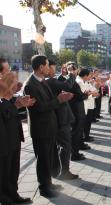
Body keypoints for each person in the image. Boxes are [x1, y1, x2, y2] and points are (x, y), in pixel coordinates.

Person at [24, 55, 72, 198]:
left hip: (50, 127)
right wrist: (58, 100)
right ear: (40, 67)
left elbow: (49, 101)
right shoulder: (30, 85)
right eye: (47, 65)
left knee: (49, 158)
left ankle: (49, 183)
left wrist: (60, 97)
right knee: (43, 160)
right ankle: (44, 187)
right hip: (41, 129)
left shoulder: (43, 81)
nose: (49, 68)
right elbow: (38, 108)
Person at [0, 72, 34, 205]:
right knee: (4, 172)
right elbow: (6, 114)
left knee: (13, 171)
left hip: (14, 140)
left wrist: (20, 104)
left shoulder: (9, 100)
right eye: (14, 84)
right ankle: (5, 199)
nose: (17, 86)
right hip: (4, 143)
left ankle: (13, 194)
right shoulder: (3, 100)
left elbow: (11, 111)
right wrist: (17, 105)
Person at [46, 60, 78, 180]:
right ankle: (64, 171)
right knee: (65, 145)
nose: (55, 70)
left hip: (61, 117)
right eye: (53, 68)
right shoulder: (51, 80)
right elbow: (67, 85)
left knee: (63, 145)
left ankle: (62, 170)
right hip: (60, 118)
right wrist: (71, 74)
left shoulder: (50, 80)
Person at [66, 63, 89, 161]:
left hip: (77, 110)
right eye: (74, 69)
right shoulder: (71, 81)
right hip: (76, 111)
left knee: (77, 132)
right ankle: (74, 154)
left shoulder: (72, 81)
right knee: (76, 133)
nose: (75, 71)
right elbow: (79, 96)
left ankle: (76, 152)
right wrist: (85, 95)